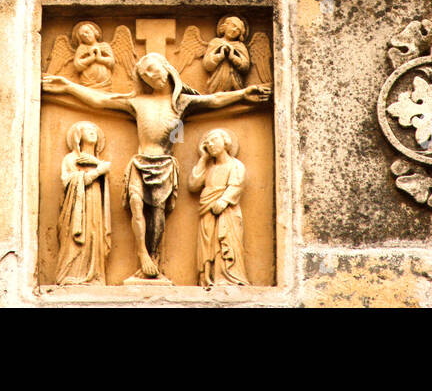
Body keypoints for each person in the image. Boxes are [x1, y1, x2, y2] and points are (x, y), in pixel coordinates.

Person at [43, 51, 269, 282]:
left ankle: (155, 260)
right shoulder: (137, 101)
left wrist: (244, 94)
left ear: (166, 67)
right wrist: (68, 86)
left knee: (158, 217)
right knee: (136, 205)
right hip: (139, 162)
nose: (151, 76)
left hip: (165, 165)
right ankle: (142, 255)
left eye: (153, 70)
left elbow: (215, 100)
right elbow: (101, 100)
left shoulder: (181, 103)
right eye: (146, 75)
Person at [189, 128, 248, 286]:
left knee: (227, 243)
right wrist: (202, 159)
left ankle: (229, 278)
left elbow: (236, 185)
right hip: (207, 212)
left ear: (225, 141)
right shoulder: (209, 168)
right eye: (207, 143)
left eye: (214, 140)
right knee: (207, 247)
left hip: (227, 212)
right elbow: (193, 185)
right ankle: (208, 280)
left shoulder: (235, 165)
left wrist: (224, 200)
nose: (210, 144)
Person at [54, 121, 111, 285]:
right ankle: (72, 274)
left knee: (94, 235)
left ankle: (94, 276)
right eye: (87, 129)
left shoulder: (99, 161)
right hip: (77, 207)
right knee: (78, 238)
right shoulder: (71, 159)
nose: (92, 131)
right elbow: (68, 181)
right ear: (78, 135)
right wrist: (98, 170)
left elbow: (104, 185)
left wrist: (97, 164)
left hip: (95, 203)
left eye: (94, 129)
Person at [203, 15, 251, 93]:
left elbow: (245, 66)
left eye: (238, 29)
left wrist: (233, 57)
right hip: (216, 83)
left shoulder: (240, 46)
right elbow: (207, 64)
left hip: (235, 84)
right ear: (224, 27)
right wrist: (220, 56)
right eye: (233, 26)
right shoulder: (215, 42)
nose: (234, 30)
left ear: (240, 34)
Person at [71, 22, 115, 89]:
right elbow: (77, 65)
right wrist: (90, 59)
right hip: (87, 82)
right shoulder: (81, 48)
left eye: (87, 32)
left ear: (94, 32)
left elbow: (111, 62)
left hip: (104, 82)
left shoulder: (104, 45)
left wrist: (100, 58)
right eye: (82, 36)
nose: (85, 36)